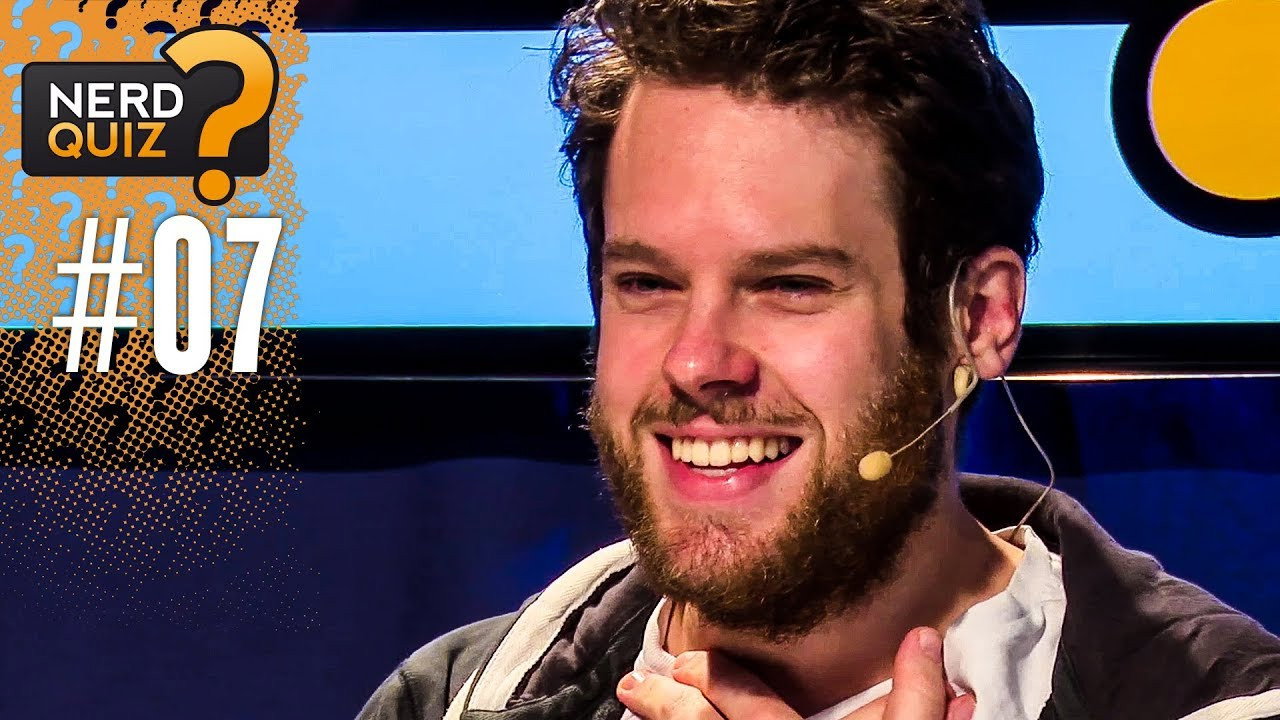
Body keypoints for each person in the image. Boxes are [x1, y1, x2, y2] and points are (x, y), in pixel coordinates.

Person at [358, 0, 1280, 718]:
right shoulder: (449, 698)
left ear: (979, 317)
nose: (697, 361)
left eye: (790, 285)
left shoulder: (1213, 700)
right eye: (647, 283)